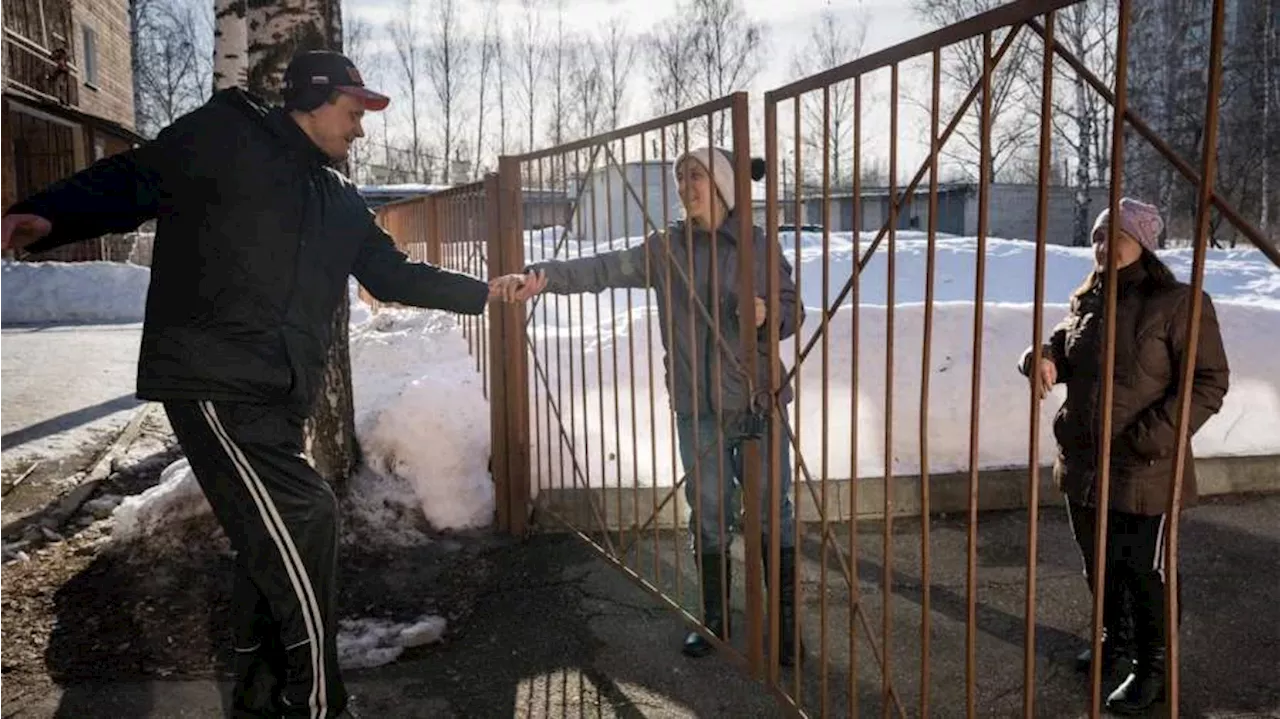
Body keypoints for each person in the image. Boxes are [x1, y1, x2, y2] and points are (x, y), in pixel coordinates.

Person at [0, 51, 501, 718]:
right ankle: (318, 701)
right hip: (211, 377)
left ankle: (258, 697)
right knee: (307, 515)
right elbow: (136, 177)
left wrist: (485, 292)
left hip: (275, 396)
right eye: (354, 113)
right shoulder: (225, 138)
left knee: (271, 545)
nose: (361, 131)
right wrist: (49, 214)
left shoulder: (339, 199)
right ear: (314, 101)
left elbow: (392, 275)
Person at [491, 147, 806, 665]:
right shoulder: (666, 249)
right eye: (680, 177)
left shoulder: (756, 244)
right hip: (696, 406)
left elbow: (794, 310)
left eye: (696, 175)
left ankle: (787, 625)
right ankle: (715, 621)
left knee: (773, 510)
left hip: (757, 401)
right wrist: (539, 276)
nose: (686, 185)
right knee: (708, 512)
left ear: (722, 184)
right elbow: (601, 269)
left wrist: (768, 313)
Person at [1018, 198, 1229, 714]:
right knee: (1100, 564)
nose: (1102, 247)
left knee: (1143, 572)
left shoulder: (1179, 302)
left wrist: (1152, 438)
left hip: (1145, 468)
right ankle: (1116, 642)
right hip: (1086, 463)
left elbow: (1208, 383)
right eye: (1097, 236)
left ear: (1143, 244)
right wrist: (1040, 358)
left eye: (1116, 237)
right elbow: (1065, 352)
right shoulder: (1088, 300)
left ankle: (1152, 666)